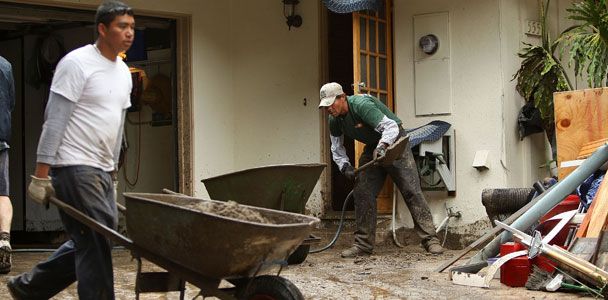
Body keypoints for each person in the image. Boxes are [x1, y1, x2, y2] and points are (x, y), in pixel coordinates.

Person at [7, 1, 134, 299]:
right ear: (102, 29)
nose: (129, 33)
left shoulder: (124, 72)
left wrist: (113, 173)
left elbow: (117, 127)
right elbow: (55, 121)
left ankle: (29, 288)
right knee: (97, 237)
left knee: (89, 237)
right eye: (122, 26)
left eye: (131, 26)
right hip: (74, 166)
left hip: (101, 170)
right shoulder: (76, 64)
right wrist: (41, 175)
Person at [319, 82, 445, 258]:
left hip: (394, 140)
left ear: (342, 97)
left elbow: (391, 127)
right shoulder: (334, 121)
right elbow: (336, 148)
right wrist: (344, 166)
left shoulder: (362, 106)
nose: (329, 109)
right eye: (325, 106)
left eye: (331, 104)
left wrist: (383, 146)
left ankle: (431, 240)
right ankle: (363, 244)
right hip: (373, 146)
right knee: (362, 191)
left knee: (411, 190)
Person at [0, 54, 15, 274]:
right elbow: (10, 102)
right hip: (0, 139)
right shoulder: (5, 65)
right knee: (2, 194)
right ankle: (3, 239)